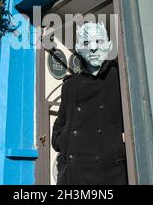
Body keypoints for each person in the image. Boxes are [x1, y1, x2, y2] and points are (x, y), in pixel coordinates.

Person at [52, 22, 127, 185]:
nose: (93, 48)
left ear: (109, 45)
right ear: (78, 48)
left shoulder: (122, 77)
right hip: (73, 176)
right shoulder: (70, 85)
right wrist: (64, 142)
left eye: (99, 41)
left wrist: (117, 146)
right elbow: (59, 126)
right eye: (86, 43)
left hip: (110, 176)